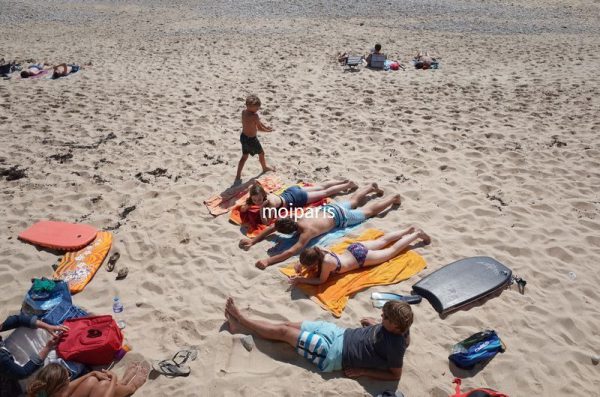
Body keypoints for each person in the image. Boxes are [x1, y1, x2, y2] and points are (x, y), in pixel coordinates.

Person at [224, 297, 412, 380]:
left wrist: (363, 370)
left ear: (396, 326)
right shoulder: (400, 328)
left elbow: (395, 375)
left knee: (284, 332)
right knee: (288, 324)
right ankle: (242, 323)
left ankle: (240, 321)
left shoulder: (396, 345)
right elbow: (389, 333)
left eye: (385, 318)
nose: (381, 317)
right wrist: (374, 325)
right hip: (338, 333)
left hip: (333, 354)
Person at [239, 183, 402, 269]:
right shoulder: (296, 217)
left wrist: (268, 261)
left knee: (369, 212)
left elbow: (291, 251)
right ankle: (369, 188)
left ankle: (392, 198)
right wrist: (253, 242)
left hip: (341, 217)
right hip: (329, 208)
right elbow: (272, 228)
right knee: (353, 201)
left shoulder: (306, 233)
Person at [290, 226, 431, 285]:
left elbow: (321, 281)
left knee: (392, 251)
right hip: (353, 248)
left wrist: (302, 280)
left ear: (315, 262)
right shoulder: (317, 250)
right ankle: (408, 230)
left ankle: (416, 234)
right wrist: (300, 266)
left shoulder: (326, 263)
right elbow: (304, 260)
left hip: (360, 258)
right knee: (383, 240)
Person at [0, 314, 66, 397]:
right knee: (53, 362)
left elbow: (18, 320)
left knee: (29, 328)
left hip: (8, 365)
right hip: (10, 385)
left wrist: (47, 326)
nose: (2, 324)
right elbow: (23, 373)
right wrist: (47, 348)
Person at [239, 179, 357, 225]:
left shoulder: (269, 205)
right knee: (320, 186)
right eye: (255, 199)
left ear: (263, 196)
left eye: (259, 199)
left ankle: (348, 184)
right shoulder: (262, 196)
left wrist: (261, 210)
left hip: (298, 198)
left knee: (325, 193)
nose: (257, 201)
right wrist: (249, 204)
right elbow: (244, 208)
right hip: (292, 190)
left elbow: (267, 222)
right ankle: (343, 181)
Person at [27, 361, 149, 397]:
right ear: (59, 389)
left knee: (92, 381)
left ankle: (121, 384)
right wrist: (114, 380)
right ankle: (130, 388)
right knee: (104, 387)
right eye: (68, 377)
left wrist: (90, 375)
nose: (70, 380)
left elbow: (67, 388)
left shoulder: (44, 392)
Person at [235, 95, 274, 182]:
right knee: (261, 153)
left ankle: (238, 176)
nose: (258, 109)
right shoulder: (254, 116)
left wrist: (266, 127)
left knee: (244, 157)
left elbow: (258, 123)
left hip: (243, 137)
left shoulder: (243, 112)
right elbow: (259, 128)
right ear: (250, 106)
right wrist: (267, 131)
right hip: (252, 140)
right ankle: (264, 168)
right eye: (256, 108)